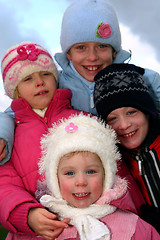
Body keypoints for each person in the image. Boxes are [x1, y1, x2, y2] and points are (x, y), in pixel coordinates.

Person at [1, 0, 160, 164]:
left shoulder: (135, 78)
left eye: (102, 46)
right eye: (81, 48)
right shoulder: (56, 84)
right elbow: (13, 113)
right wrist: (2, 134)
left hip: (130, 161)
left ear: (114, 52)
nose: (92, 57)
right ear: (68, 53)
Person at [0, 41, 88, 239]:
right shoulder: (9, 137)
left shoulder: (84, 120)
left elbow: (117, 174)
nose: (39, 82)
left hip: (94, 221)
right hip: (39, 232)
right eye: (28, 78)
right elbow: (4, 185)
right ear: (15, 91)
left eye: (46, 74)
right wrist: (27, 214)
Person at [35, 114, 160, 240]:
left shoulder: (133, 227)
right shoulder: (45, 230)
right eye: (69, 173)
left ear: (106, 176)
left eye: (90, 171)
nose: (81, 182)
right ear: (54, 179)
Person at [94, 63, 160, 233]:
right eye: (112, 118)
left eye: (131, 112)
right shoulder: (115, 161)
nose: (123, 125)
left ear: (147, 111)